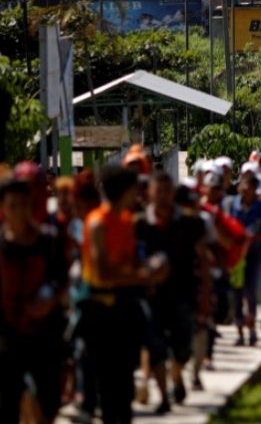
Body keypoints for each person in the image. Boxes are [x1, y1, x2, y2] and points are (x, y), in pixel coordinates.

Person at [80, 165, 168, 424]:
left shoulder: (127, 221)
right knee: (108, 385)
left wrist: (153, 267)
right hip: (99, 311)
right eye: (134, 189)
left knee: (123, 384)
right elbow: (104, 273)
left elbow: (130, 263)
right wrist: (144, 276)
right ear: (123, 190)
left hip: (124, 308)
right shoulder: (98, 223)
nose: (138, 194)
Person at [134, 172, 206, 413]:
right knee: (155, 349)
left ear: (173, 194)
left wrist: (206, 293)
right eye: (158, 191)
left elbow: (203, 258)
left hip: (183, 295)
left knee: (181, 349)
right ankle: (163, 396)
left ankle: (177, 376)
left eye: (167, 191)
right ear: (150, 193)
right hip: (151, 297)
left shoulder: (189, 222)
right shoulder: (139, 224)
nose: (163, 196)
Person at [0, 179, 69, 424]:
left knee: (48, 407)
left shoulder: (49, 242)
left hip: (45, 340)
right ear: (3, 209)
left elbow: (64, 281)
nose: (19, 211)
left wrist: (49, 302)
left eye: (23, 204)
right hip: (7, 342)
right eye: (12, 205)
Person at [226, 171, 261, 346]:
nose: (244, 190)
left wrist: (252, 237)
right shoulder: (232, 205)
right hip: (236, 256)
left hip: (253, 254)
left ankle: (252, 329)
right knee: (236, 293)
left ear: (254, 189)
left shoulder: (260, 207)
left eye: (249, 188)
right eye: (242, 186)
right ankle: (239, 333)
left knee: (250, 291)